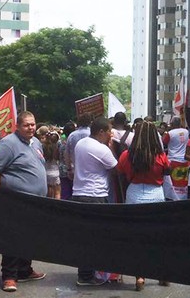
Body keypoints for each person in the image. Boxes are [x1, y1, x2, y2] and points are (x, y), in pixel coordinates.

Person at [0, 111, 47, 293]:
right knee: (13, 238)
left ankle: (24, 270)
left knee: (29, 238)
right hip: (15, 202)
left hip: (35, 202)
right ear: (17, 126)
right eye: (26, 125)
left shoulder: (36, 142)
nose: (31, 128)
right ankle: (9, 277)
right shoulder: (8, 144)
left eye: (33, 124)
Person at [117, 120, 170, 291]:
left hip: (134, 195)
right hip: (156, 195)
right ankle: (162, 274)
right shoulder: (161, 156)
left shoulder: (127, 155)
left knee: (137, 239)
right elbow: (167, 172)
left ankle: (140, 276)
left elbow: (119, 172)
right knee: (157, 238)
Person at [72, 116, 118, 287]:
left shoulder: (81, 143)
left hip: (79, 193)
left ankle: (85, 272)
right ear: (101, 132)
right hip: (95, 195)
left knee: (84, 236)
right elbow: (116, 168)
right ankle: (88, 275)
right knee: (95, 237)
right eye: (109, 132)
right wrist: (111, 147)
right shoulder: (102, 149)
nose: (110, 135)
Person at [162, 116, 190, 200]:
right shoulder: (186, 131)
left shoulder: (170, 133)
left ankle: (173, 198)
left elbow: (163, 142)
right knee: (182, 183)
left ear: (172, 124)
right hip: (185, 161)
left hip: (173, 160)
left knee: (173, 183)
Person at [65, 113, 92, 181]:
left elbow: (67, 154)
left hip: (76, 171)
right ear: (90, 122)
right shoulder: (92, 134)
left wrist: (69, 169)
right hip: (92, 171)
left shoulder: (72, 135)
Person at [37, 125, 62, 199]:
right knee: (57, 192)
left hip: (46, 171)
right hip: (55, 172)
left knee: (49, 192)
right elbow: (58, 158)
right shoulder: (55, 147)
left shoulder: (42, 147)